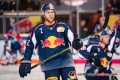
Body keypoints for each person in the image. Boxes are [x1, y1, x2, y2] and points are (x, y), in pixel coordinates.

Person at [19, 3, 82, 80]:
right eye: (48, 12)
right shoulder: (38, 29)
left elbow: (73, 38)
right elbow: (30, 46)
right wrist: (26, 61)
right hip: (49, 65)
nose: (50, 14)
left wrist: (76, 42)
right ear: (43, 14)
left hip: (66, 63)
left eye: (52, 12)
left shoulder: (63, 25)